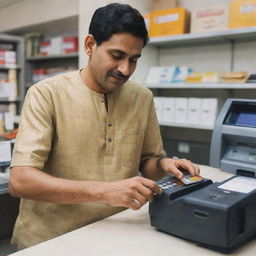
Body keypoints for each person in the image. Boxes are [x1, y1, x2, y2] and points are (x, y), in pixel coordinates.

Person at [9, 3, 200, 249]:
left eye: (134, 60)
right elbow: (21, 181)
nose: (126, 70)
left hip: (117, 233)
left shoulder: (142, 98)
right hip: (49, 240)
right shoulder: (46, 94)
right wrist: (104, 191)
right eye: (117, 56)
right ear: (90, 45)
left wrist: (165, 165)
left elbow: (149, 161)